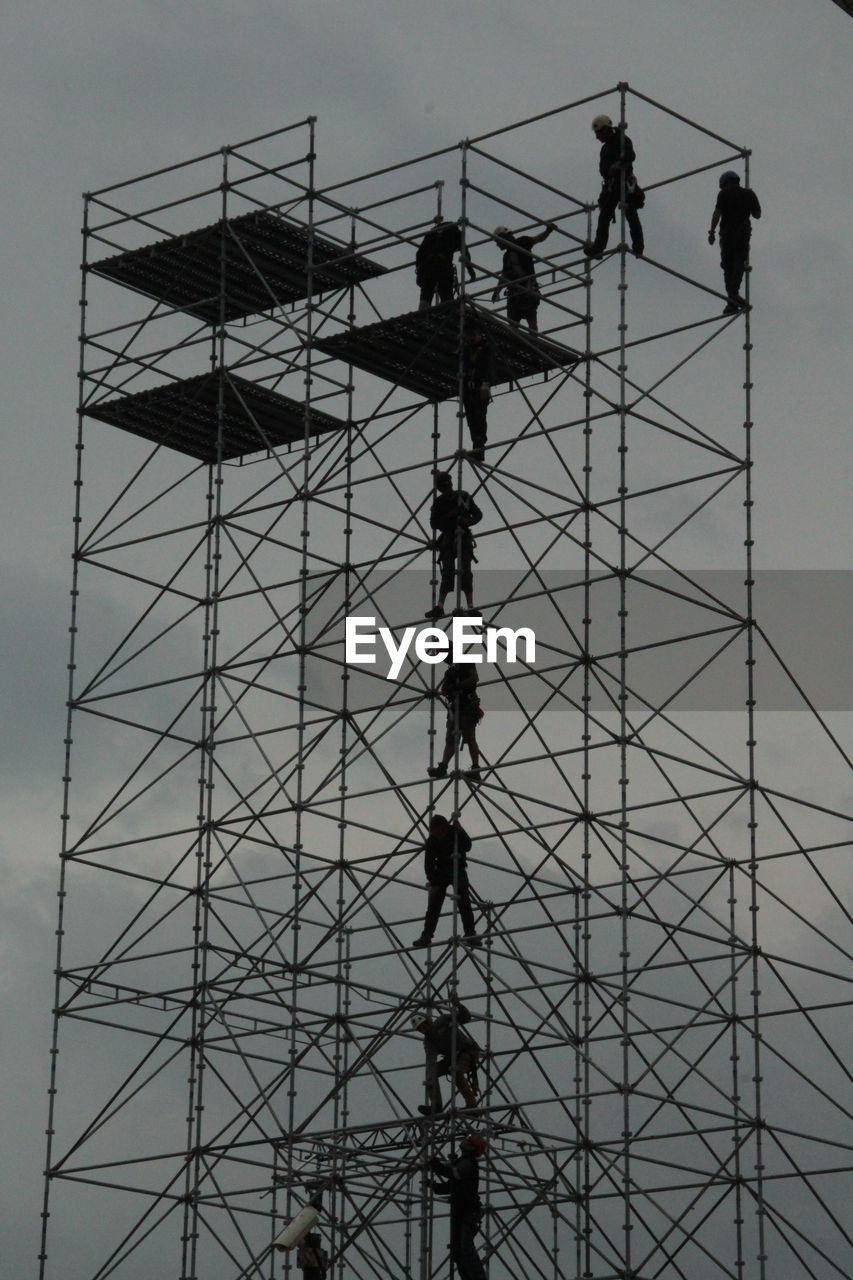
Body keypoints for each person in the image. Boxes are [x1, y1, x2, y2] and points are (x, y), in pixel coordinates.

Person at [412, 818, 480, 952]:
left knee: (464, 904)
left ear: (443, 827)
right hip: (441, 873)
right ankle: (426, 936)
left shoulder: (454, 833)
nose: (436, 834)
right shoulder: (433, 840)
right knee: (434, 907)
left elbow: (467, 846)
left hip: (458, 870)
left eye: (437, 831)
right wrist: (434, 882)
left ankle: (470, 935)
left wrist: (461, 830)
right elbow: (429, 865)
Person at [583, 114, 645, 259]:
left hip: (624, 183)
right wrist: (609, 170)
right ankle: (598, 249)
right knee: (604, 216)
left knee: (630, 213)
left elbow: (630, 156)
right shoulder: (606, 148)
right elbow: (603, 169)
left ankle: (638, 246)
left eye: (598, 133)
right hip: (612, 186)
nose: (597, 137)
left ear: (604, 130)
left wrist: (620, 164)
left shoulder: (621, 139)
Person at [430, 1133, 488, 1280]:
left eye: (469, 1142)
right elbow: (452, 1186)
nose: (465, 1143)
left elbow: (453, 1174)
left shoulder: (468, 1163)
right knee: (458, 1252)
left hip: (467, 1212)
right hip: (460, 1212)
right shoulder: (462, 1163)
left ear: (471, 1148)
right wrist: (435, 1186)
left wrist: (435, 1164)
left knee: (465, 1249)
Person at [425, 471, 482, 619]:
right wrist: (451, 515)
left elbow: (477, 515)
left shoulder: (462, 496)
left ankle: (469, 606)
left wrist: (467, 521)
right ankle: (440, 606)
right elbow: (434, 523)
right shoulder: (439, 502)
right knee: (448, 571)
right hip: (449, 538)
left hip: (462, 536)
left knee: (465, 571)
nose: (446, 487)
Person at [708, 170, 761, 314]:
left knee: (728, 265)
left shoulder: (724, 194)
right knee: (738, 261)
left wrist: (711, 232)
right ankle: (733, 297)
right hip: (742, 232)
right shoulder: (748, 194)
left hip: (727, 233)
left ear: (724, 184)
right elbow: (757, 215)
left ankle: (732, 299)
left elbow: (717, 214)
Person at [414, 997, 482, 1108]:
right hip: (452, 1057)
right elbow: (430, 1060)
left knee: (456, 1071)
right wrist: (430, 1078)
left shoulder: (443, 1020)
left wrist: (459, 1005)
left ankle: (472, 1104)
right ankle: (436, 1106)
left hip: (468, 1051)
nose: (423, 1029)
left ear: (428, 1021)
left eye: (423, 1025)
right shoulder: (429, 1041)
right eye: (420, 1029)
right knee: (431, 1073)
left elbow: (465, 1018)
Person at [491, 223, 556, 331]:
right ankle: (520, 344)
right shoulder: (507, 256)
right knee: (513, 325)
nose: (497, 245)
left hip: (527, 291)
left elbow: (538, 239)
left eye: (497, 241)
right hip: (515, 294)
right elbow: (505, 275)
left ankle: (533, 343)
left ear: (503, 238)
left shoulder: (522, 243)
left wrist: (548, 231)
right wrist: (496, 291)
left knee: (531, 323)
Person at [428, 659, 483, 781]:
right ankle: (443, 767)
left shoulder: (466, 663)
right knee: (451, 739)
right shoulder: (450, 671)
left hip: (467, 706)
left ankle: (475, 769)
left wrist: (459, 685)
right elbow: (444, 689)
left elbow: (474, 678)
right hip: (455, 708)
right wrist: (451, 687)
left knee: (469, 738)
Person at [416, 215, 475, 310]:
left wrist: (419, 272)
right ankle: (447, 314)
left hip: (427, 266)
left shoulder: (431, 233)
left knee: (426, 296)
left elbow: (419, 253)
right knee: (446, 295)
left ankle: (422, 316)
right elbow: (465, 253)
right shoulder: (455, 232)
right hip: (443, 265)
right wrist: (471, 271)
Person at [459, 319, 496, 462]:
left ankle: (479, 448)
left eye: (473, 334)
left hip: (480, 387)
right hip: (469, 388)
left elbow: (489, 367)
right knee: (471, 419)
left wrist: (486, 383)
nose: (471, 337)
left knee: (479, 417)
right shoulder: (467, 350)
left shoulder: (486, 348)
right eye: (469, 334)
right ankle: (477, 446)